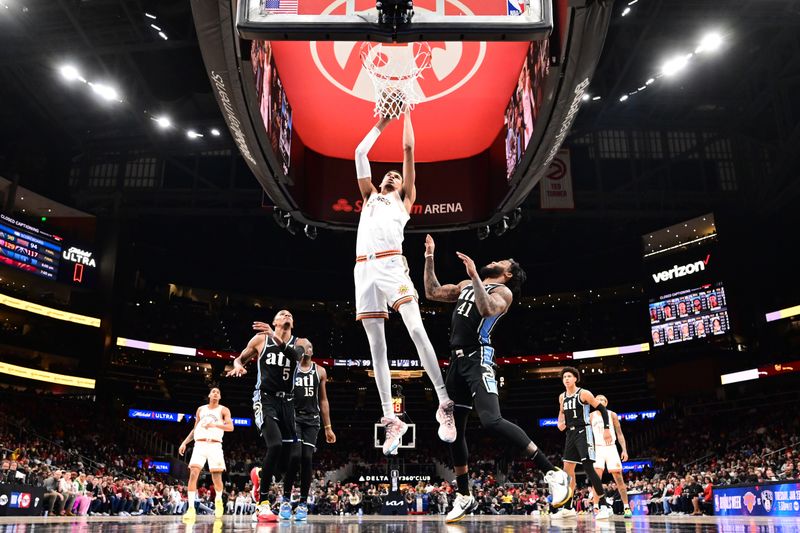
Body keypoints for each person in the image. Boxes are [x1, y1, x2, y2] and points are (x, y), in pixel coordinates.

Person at [422, 234, 571, 523]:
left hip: (478, 358)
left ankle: (551, 472)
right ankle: (464, 495)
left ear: (508, 273)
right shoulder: (465, 285)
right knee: (454, 431)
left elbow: (487, 308)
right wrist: (429, 258)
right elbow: (432, 292)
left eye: (500, 262)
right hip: (456, 360)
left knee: (491, 420)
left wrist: (476, 275)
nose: (493, 261)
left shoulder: (504, 293)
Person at [353, 110, 455, 454]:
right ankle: (390, 419)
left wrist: (408, 112)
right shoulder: (369, 196)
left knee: (415, 330)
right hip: (362, 270)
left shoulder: (404, 200)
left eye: (398, 175)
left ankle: (444, 402)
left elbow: (409, 150)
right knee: (376, 348)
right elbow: (359, 153)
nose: (393, 175)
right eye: (390, 173)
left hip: (391, 265)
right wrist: (382, 121)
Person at [227, 310, 310, 522]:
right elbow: (239, 358)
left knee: (292, 459)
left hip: (288, 402)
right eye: (282, 313)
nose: (287, 314)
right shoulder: (260, 339)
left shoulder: (300, 341)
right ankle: (262, 503)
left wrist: (275, 337)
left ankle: (261, 474)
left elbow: (296, 357)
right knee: (274, 445)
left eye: (290, 314)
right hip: (265, 398)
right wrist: (238, 367)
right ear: (275, 322)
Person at [283, 340, 337, 521]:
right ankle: (284, 499)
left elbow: (323, 400)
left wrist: (328, 427)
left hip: (312, 420)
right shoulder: (291, 368)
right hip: (294, 417)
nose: (303, 347)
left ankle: (303, 504)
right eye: (299, 345)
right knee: (295, 456)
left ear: (311, 350)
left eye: (306, 344)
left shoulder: (320, 371)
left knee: (307, 458)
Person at [552, 367, 614, 521]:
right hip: (570, 434)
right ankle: (568, 507)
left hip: (584, 432)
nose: (566, 379)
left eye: (569, 376)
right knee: (567, 472)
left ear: (575, 379)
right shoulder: (562, 397)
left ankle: (605, 506)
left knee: (588, 468)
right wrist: (560, 421)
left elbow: (602, 409)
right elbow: (561, 411)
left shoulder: (584, 393)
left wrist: (606, 429)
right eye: (564, 377)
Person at [178, 387, 234, 523]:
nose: (215, 393)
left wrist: (215, 425)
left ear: (219, 397)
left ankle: (219, 499)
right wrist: (184, 442)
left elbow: (230, 427)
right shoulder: (201, 409)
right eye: (213, 391)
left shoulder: (223, 410)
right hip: (200, 445)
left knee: (216, 479)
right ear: (209, 395)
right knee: (193, 474)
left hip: (215, 445)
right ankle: (191, 509)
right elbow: (195, 429)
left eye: (218, 392)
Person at [589, 395, 632, 518]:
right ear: (594, 402)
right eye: (598, 399)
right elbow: (587, 435)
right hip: (598, 448)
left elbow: (619, 433)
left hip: (611, 447)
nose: (601, 401)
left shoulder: (612, 414)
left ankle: (626, 507)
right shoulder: (591, 416)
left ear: (606, 403)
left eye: (603, 400)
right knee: (596, 479)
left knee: (619, 479)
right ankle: (596, 507)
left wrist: (624, 450)